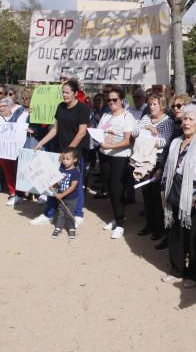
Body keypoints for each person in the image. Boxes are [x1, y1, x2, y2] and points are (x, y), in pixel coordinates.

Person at [161, 104, 196, 287]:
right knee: (176, 233)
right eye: (185, 118)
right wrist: (164, 189)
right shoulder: (176, 142)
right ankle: (177, 270)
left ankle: (194, 275)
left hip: (194, 195)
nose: (186, 122)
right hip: (175, 191)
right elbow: (168, 168)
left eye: (191, 119)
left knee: (195, 237)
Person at [33, 79, 90, 226]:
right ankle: (49, 214)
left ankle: (77, 214)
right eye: (62, 92)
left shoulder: (83, 109)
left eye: (67, 92)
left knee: (76, 183)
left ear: (76, 93)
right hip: (60, 152)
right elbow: (55, 129)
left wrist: (69, 152)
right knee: (54, 182)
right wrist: (41, 143)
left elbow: (82, 132)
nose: (64, 95)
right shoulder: (60, 107)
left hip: (75, 153)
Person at [97, 86, 137, 239]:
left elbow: (128, 141)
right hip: (105, 155)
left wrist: (111, 144)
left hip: (120, 157)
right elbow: (100, 132)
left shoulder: (127, 117)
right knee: (109, 188)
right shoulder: (106, 116)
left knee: (117, 189)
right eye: (109, 100)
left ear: (121, 101)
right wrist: (102, 138)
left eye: (114, 100)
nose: (111, 102)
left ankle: (120, 224)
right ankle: (116, 217)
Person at [133, 93, 174, 240]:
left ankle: (159, 228)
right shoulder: (145, 118)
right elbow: (134, 132)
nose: (151, 107)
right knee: (147, 195)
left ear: (162, 106)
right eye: (150, 104)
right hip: (143, 161)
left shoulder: (167, 121)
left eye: (154, 104)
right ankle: (149, 225)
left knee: (157, 197)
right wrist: (148, 128)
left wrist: (149, 138)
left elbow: (165, 142)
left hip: (157, 162)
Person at [0, 95, 28, 206]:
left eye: (4, 106)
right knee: (8, 172)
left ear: (10, 107)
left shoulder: (20, 117)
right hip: (2, 152)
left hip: (16, 151)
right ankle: (12, 192)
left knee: (18, 171)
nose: (2, 108)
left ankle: (21, 193)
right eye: (0, 106)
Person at [51, 148, 80, 239]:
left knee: (69, 213)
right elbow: (58, 181)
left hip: (71, 198)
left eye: (68, 159)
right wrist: (53, 185)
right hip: (61, 197)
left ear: (74, 160)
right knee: (61, 213)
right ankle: (58, 228)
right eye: (63, 159)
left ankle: (72, 228)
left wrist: (62, 195)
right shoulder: (61, 170)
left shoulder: (75, 172)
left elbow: (72, 187)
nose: (65, 161)